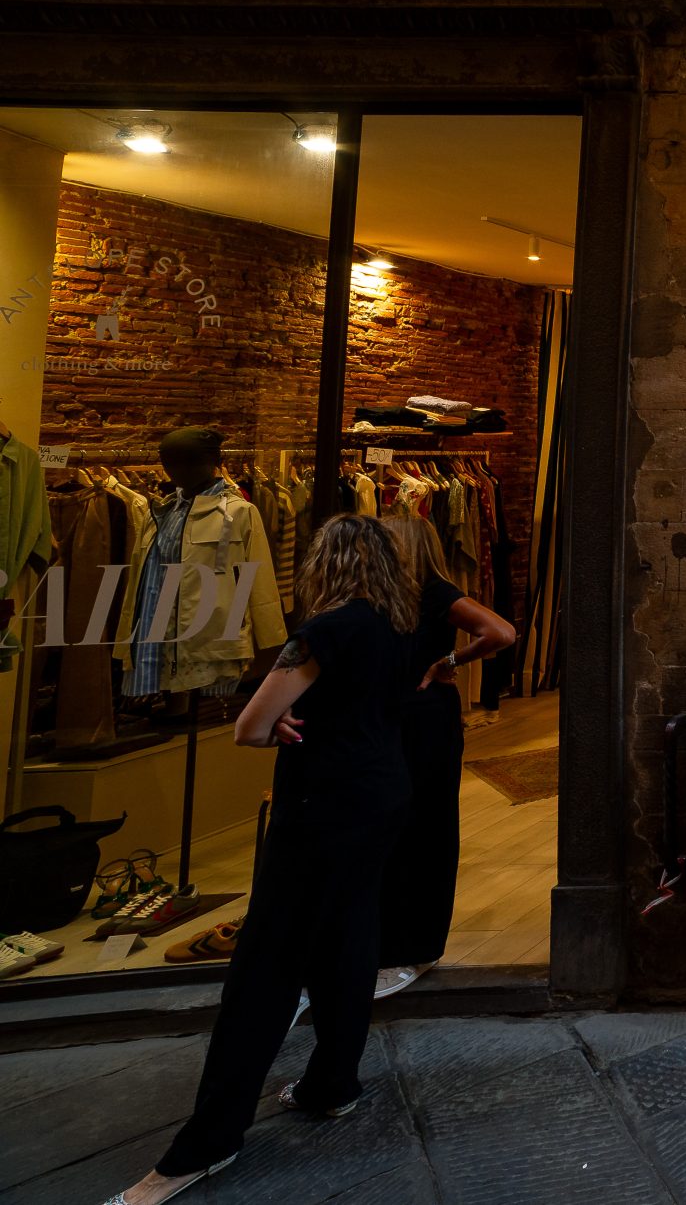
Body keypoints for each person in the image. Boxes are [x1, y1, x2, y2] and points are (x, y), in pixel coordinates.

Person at [110, 516, 418, 1205]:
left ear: (325, 565)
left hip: (323, 809)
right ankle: (332, 1083)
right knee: (349, 938)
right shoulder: (395, 627)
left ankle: (207, 1142)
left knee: (266, 967)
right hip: (382, 793)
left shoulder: (325, 632)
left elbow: (250, 725)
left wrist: (275, 722)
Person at [373, 517, 518, 999]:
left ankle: (413, 943)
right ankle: (394, 939)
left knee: (424, 823)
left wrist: (449, 662)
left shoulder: (432, 589)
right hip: (405, 714)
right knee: (402, 822)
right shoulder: (392, 591)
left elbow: (501, 632)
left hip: (423, 717)